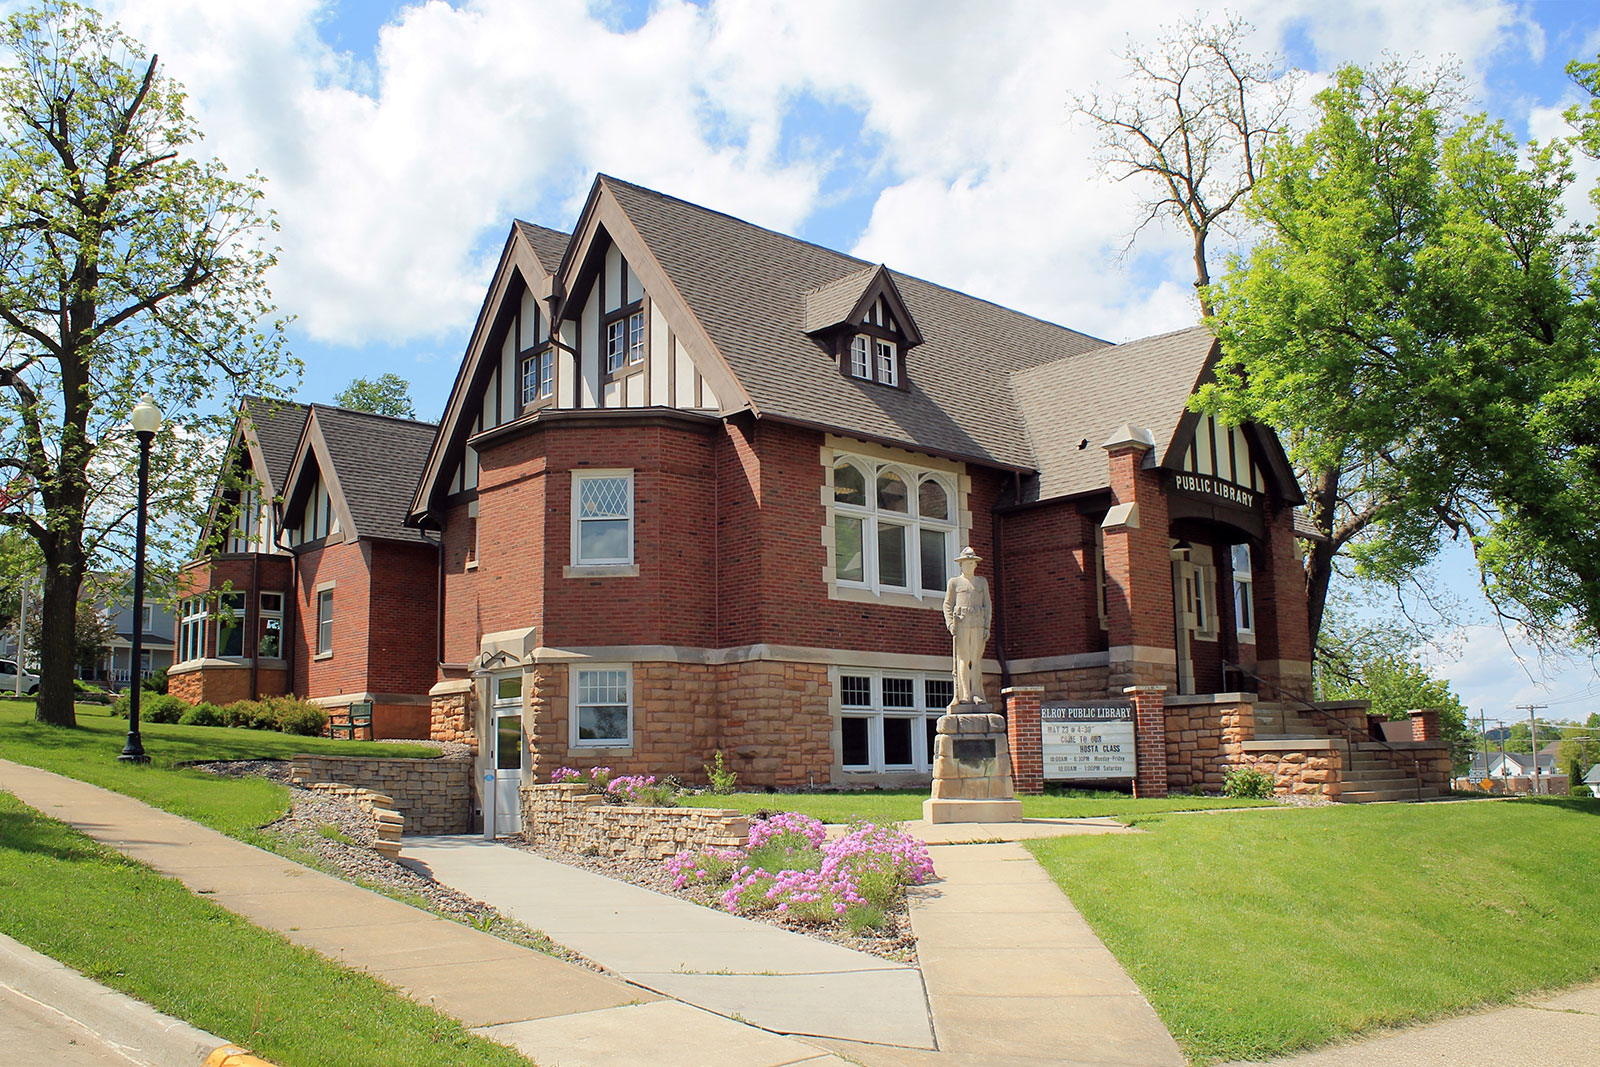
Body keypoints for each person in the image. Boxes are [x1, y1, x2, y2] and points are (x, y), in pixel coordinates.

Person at [942, 546, 991, 705]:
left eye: (972, 563)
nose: (969, 565)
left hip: (977, 623)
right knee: (963, 659)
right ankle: (964, 694)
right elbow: (947, 604)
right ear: (961, 565)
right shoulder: (954, 582)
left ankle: (977, 694)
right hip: (962, 623)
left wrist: (987, 627)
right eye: (966, 563)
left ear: (976, 565)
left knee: (975, 659)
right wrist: (950, 623)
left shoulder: (981, 582)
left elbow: (988, 605)